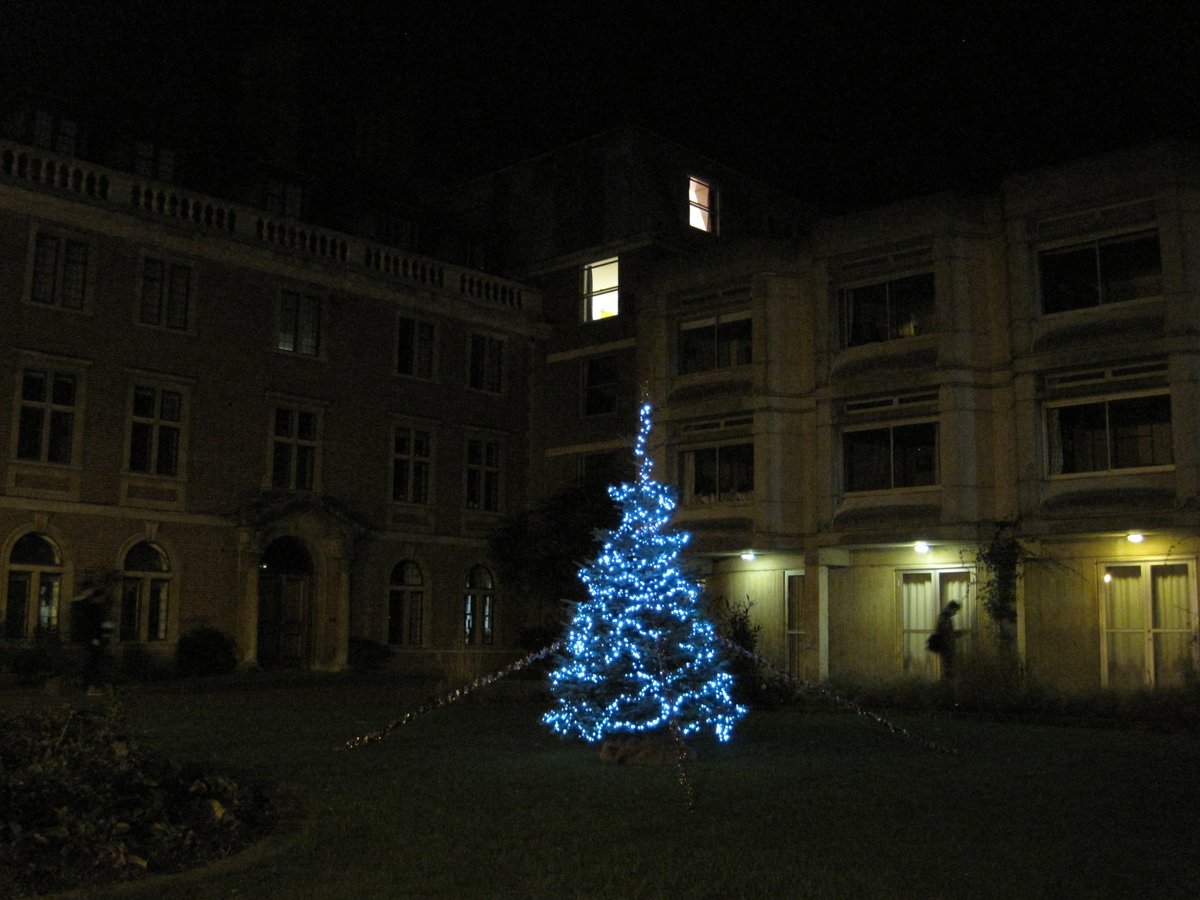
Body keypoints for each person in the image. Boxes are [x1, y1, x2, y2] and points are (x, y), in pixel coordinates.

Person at [926, 600, 961, 680]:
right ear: (951, 608)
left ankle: (947, 682)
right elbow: (945, 632)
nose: (955, 613)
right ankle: (947, 684)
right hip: (946, 646)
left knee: (947, 666)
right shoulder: (945, 618)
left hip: (946, 646)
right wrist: (955, 634)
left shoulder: (944, 617)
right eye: (955, 611)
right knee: (947, 667)